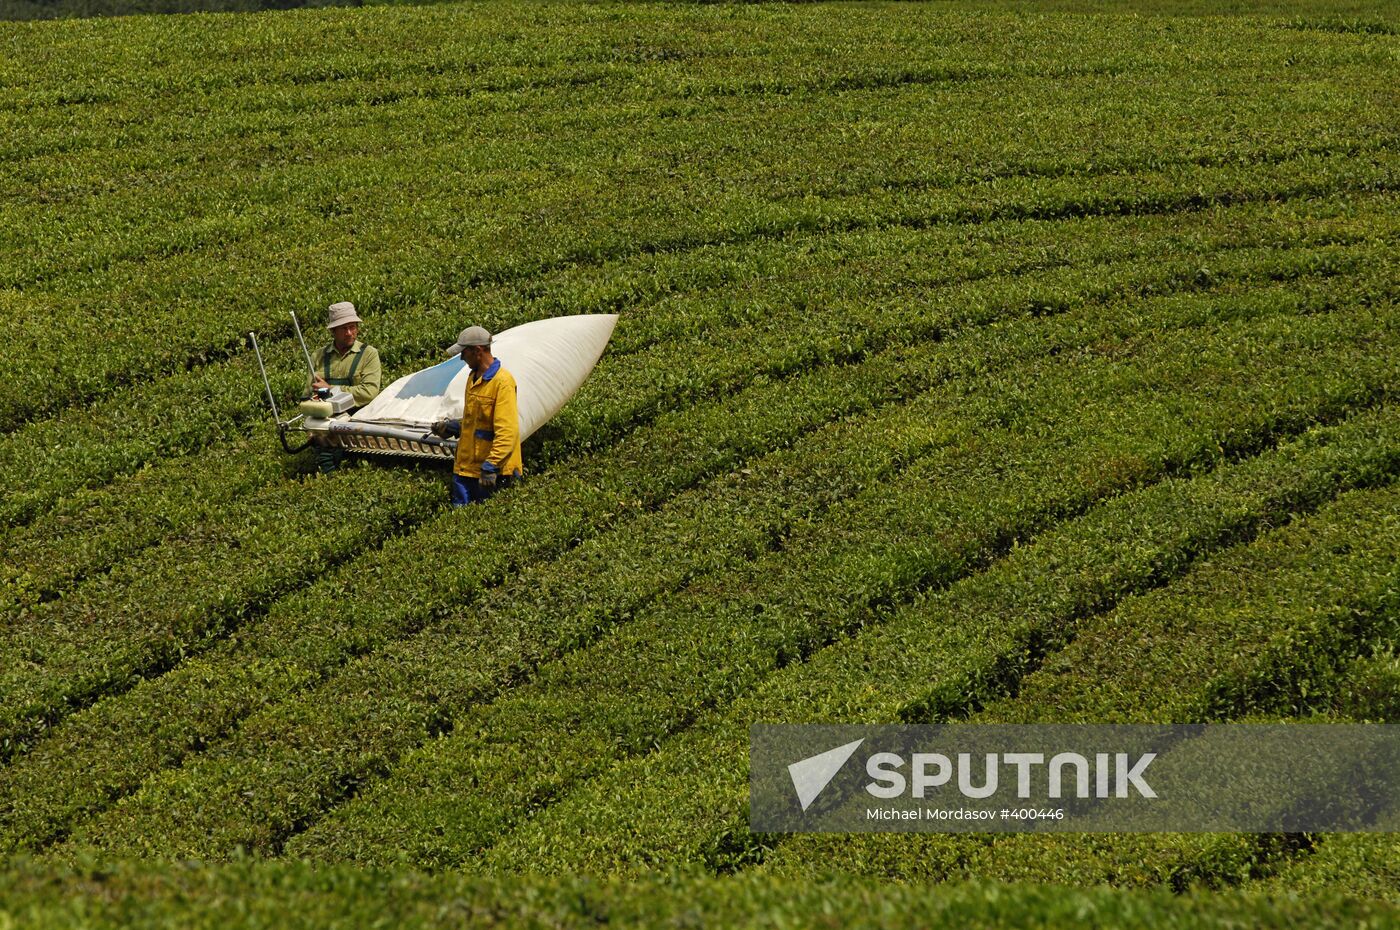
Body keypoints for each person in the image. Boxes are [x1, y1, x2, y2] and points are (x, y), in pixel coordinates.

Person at [432, 325, 523, 506]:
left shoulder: (502, 382)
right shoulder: (473, 377)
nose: (462, 358)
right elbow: (477, 421)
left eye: (464, 353)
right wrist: (455, 427)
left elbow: (507, 431)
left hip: (491, 472)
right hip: (466, 468)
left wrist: (491, 466)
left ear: (478, 351)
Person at [305, 301, 383, 474]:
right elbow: (308, 394)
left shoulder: (369, 354)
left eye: (352, 327)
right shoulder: (318, 356)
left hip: (358, 419)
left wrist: (331, 389)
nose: (349, 333)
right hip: (325, 423)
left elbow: (369, 392)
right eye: (344, 328)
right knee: (325, 462)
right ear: (333, 331)